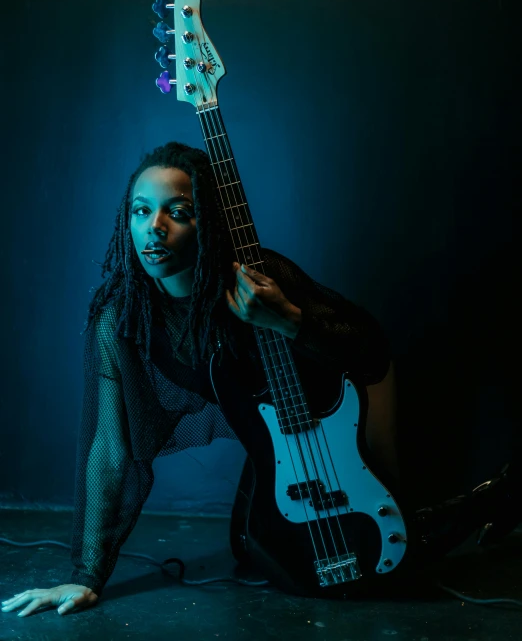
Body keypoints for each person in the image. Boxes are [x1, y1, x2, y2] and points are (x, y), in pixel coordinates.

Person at [1, 141, 517, 618]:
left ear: (208, 223)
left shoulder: (254, 275)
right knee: (254, 550)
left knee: (387, 540)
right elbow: (109, 448)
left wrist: (289, 319)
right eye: (140, 210)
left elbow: (364, 342)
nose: (154, 227)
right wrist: (87, 575)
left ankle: (500, 494)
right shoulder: (121, 319)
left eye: (177, 213)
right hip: (275, 437)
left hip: (340, 405)